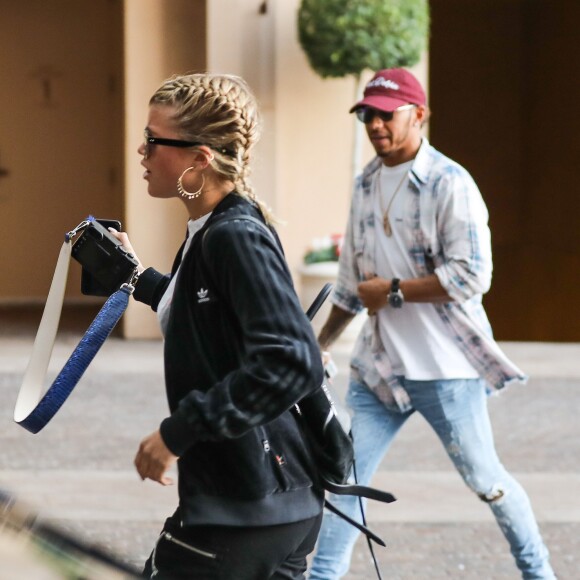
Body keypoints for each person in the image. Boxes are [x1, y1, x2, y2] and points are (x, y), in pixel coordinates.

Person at [308, 68, 555, 579]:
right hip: (380, 372)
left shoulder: (450, 183)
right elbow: (354, 284)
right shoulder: (366, 184)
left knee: (486, 478)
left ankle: (539, 573)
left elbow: (473, 274)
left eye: (386, 114)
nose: (375, 124)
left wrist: (394, 291)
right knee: (345, 480)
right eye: (367, 115)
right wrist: (318, 344)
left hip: (447, 370)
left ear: (418, 115)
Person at [111, 73, 325, 579]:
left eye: (153, 140)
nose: (141, 151)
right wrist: (137, 279)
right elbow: (211, 320)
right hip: (269, 502)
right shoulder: (212, 228)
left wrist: (178, 433)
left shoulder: (233, 234)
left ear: (200, 158)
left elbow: (291, 359)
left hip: (245, 508)